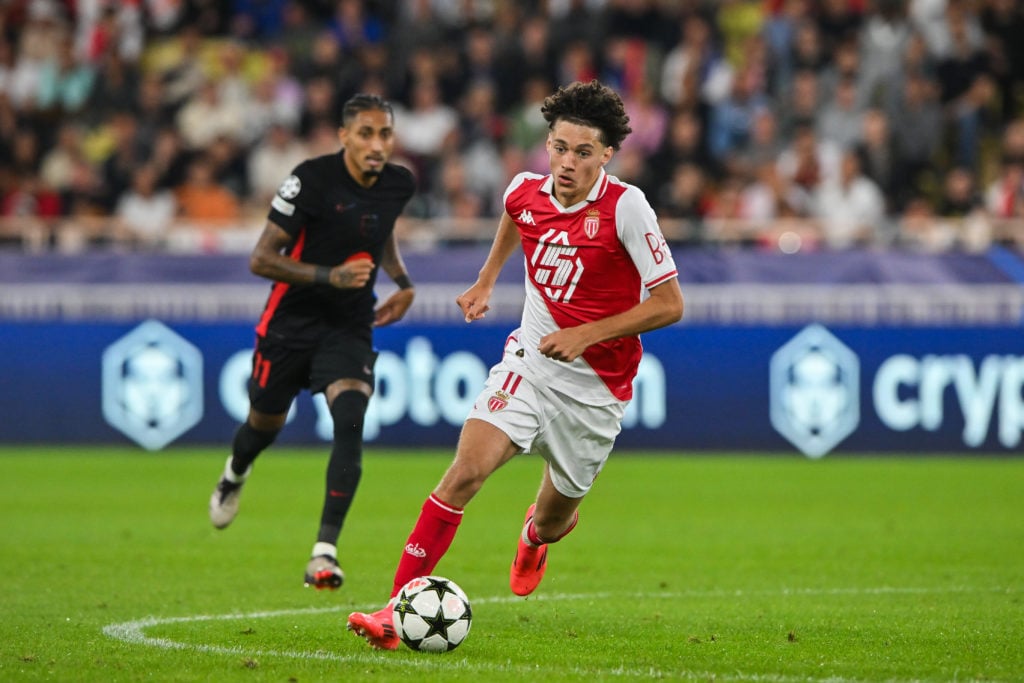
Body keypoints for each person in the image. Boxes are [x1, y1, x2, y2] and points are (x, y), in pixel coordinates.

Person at [347, 80, 684, 650]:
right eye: (558, 147)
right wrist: (486, 279)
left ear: (606, 155)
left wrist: (588, 334)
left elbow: (670, 304)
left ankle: (535, 534)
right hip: (528, 364)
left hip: (596, 393)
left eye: (582, 152)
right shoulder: (526, 191)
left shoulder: (627, 207)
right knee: (466, 471)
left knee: (553, 520)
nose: (567, 162)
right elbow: (514, 215)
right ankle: (392, 608)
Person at [208, 93, 417, 590]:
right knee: (263, 424)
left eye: (384, 133)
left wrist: (403, 283)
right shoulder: (311, 179)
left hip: (348, 325)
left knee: (350, 419)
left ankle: (323, 553)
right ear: (344, 136)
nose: (377, 144)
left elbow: (381, 232)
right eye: (365, 133)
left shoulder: (399, 184)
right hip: (290, 325)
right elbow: (261, 258)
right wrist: (331, 276)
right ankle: (235, 473)